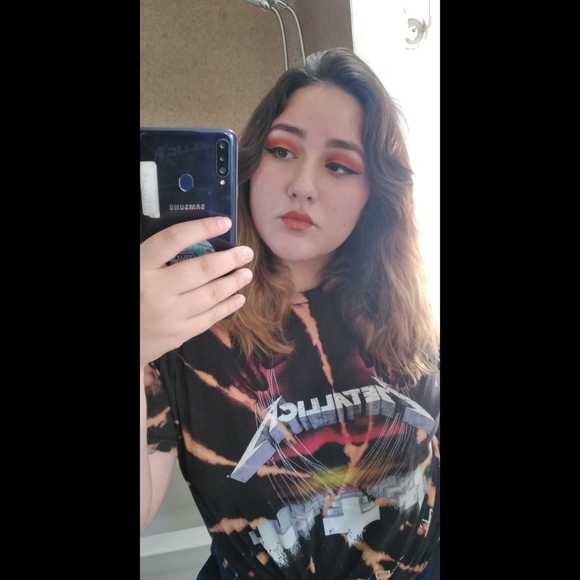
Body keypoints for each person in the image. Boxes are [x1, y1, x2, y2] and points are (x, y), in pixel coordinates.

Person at [140, 47, 440, 580]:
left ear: (375, 193)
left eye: (339, 165)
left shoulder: (410, 309)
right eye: (282, 150)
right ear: (250, 164)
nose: (303, 183)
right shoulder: (180, 321)